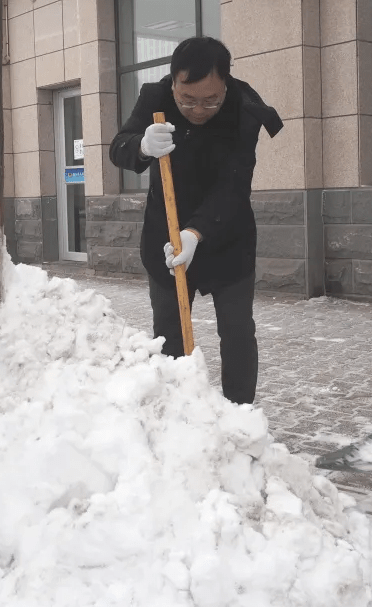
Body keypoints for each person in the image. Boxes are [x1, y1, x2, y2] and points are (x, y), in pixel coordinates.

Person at [109, 36, 283, 405]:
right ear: (173, 82)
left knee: (236, 332)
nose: (199, 109)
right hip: (166, 239)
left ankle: (239, 416)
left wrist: (196, 232)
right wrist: (140, 144)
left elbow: (234, 184)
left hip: (227, 238)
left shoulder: (243, 109)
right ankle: (180, 415)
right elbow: (118, 147)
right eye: (187, 99)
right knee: (170, 333)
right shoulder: (155, 98)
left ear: (226, 84)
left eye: (210, 100)